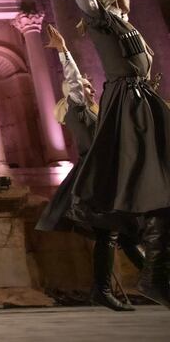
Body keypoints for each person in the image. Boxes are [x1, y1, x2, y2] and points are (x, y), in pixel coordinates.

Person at [13, 0, 170, 308]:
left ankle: (154, 273)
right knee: (153, 187)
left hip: (143, 103)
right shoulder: (101, 18)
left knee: (159, 188)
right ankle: (153, 275)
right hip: (130, 106)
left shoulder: (127, 26)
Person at [36, 24, 143, 311]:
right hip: (95, 181)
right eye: (85, 85)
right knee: (113, 233)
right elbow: (72, 82)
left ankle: (149, 281)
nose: (90, 86)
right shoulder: (77, 110)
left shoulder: (97, 115)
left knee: (127, 234)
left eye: (89, 84)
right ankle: (106, 288)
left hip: (107, 178)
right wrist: (63, 52)